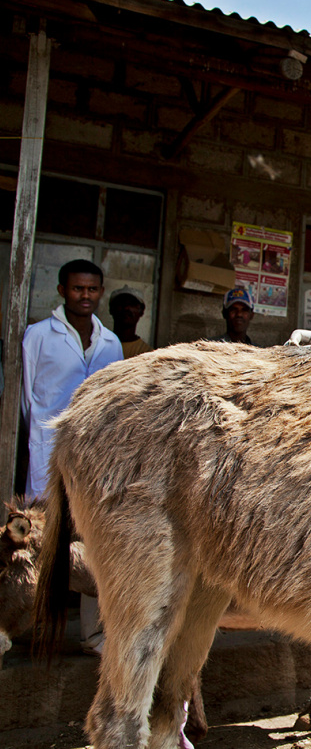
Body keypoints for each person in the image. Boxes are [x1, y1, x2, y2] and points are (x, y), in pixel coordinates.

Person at [21, 258, 122, 656]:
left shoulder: (110, 342)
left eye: (92, 289)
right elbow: (27, 399)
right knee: (38, 543)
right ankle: (30, 627)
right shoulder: (38, 336)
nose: (85, 296)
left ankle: (93, 634)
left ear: (100, 292)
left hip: (95, 463)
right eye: (78, 289)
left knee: (92, 545)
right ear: (62, 291)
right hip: (46, 457)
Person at [108, 286, 153, 358]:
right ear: (111, 309)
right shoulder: (98, 346)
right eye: (121, 303)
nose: (126, 308)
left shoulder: (147, 353)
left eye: (132, 304)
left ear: (141, 311)